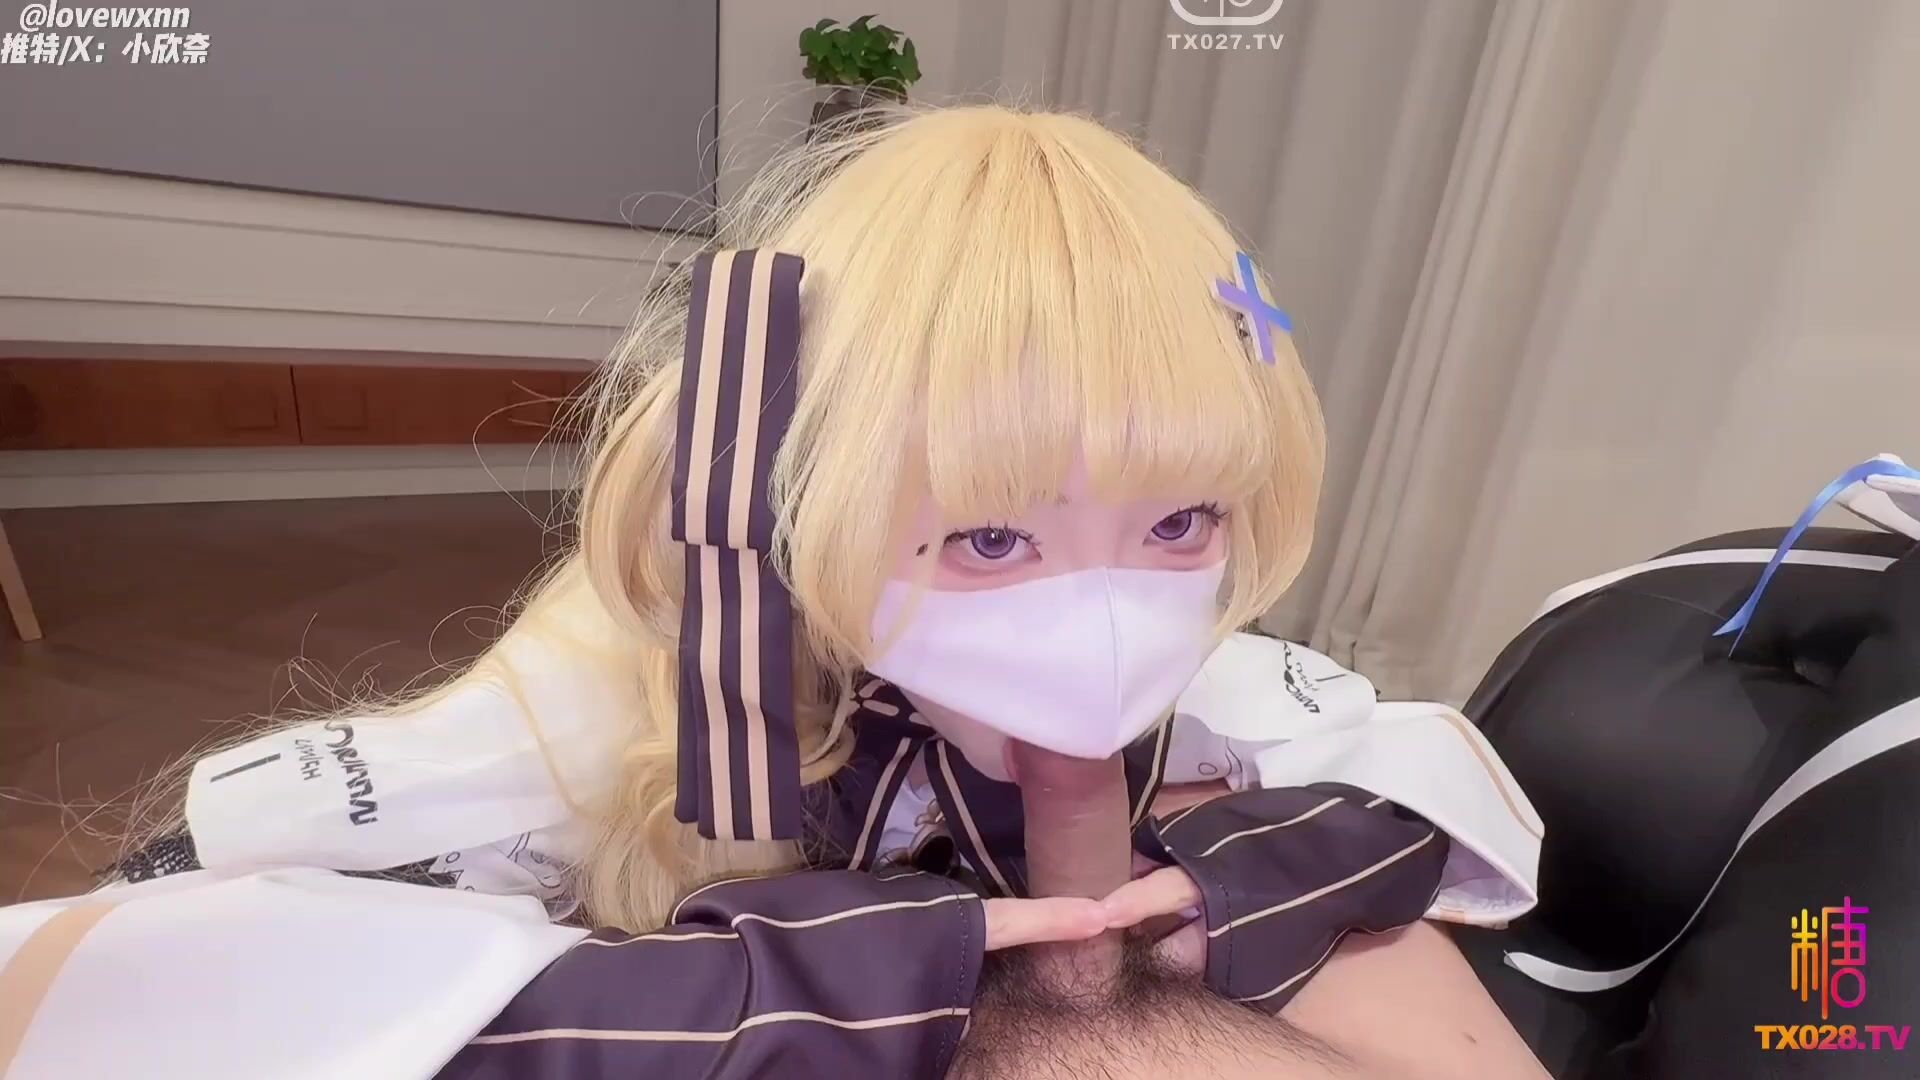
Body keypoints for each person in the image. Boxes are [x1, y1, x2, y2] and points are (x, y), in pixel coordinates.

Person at [0, 104, 1545, 1078]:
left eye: (1179, 520)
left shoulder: (1198, 674)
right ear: (800, 499)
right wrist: (807, 989)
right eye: (991, 540)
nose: (1106, 616)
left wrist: (1232, 881)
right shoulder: (610, 701)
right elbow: (117, 965)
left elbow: (1410, 777)